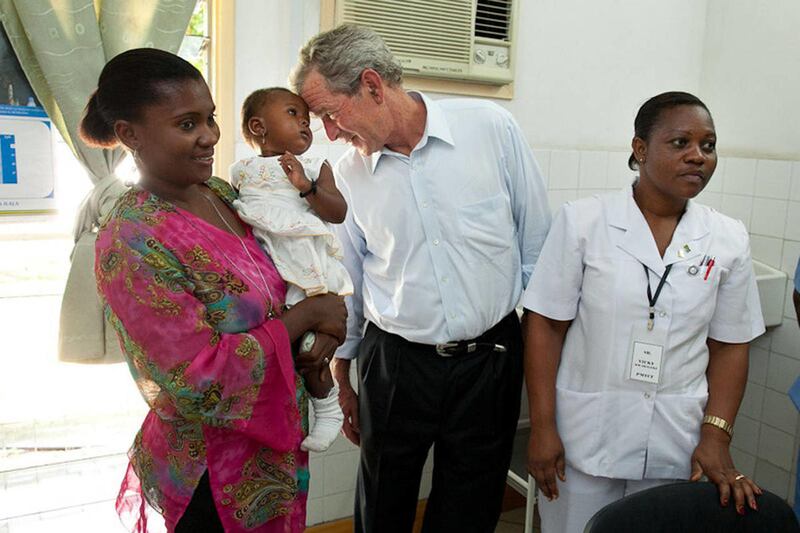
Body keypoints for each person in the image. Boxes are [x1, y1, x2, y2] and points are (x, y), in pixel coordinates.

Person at [290, 24, 551, 533]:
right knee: (383, 499)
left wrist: (534, 354)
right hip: (396, 361)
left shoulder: (490, 128)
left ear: (371, 85)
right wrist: (345, 378)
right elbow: (350, 280)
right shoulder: (347, 175)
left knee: (471, 504)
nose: (330, 133)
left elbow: (537, 246)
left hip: (490, 359)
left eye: (330, 114)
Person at [81, 48, 347, 532]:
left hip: (278, 444)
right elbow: (197, 379)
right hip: (213, 472)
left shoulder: (222, 194)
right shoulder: (133, 239)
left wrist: (323, 324)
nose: (209, 136)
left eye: (211, 118)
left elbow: (286, 272)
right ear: (129, 134)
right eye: (187, 124)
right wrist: (308, 318)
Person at [523, 91, 766, 533]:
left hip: (676, 438)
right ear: (640, 149)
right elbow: (545, 325)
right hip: (585, 437)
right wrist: (542, 426)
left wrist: (716, 435)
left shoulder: (727, 238)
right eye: (680, 143)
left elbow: (731, 345)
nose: (698, 156)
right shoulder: (583, 222)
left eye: (708, 146)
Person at [230, 86, 353, 452]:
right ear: (258, 127)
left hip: (306, 264)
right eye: (293, 114)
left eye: (306, 118)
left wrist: (306, 187)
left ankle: (327, 407)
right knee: (278, 346)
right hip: (266, 266)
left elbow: (338, 211)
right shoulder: (241, 171)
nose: (305, 123)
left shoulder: (315, 166)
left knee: (309, 347)